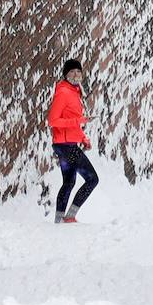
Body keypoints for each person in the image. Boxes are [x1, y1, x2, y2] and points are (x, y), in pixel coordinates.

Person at [47, 58, 98, 224]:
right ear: (66, 74)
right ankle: (69, 216)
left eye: (78, 72)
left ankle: (59, 219)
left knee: (69, 182)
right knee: (92, 179)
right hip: (65, 145)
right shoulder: (63, 93)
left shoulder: (74, 93)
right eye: (72, 72)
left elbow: (73, 120)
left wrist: (83, 138)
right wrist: (80, 121)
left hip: (68, 143)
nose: (76, 74)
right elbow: (53, 121)